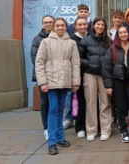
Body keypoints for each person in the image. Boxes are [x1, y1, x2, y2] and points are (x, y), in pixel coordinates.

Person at [35, 17, 81, 155]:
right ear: (54, 27)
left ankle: (61, 137)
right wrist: (42, 82)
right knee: (53, 109)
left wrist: (75, 82)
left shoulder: (72, 43)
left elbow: (76, 64)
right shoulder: (45, 42)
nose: (60, 28)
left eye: (63, 25)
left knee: (61, 109)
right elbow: (39, 62)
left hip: (65, 81)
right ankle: (52, 141)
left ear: (66, 27)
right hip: (50, 82)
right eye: (58, 25)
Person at [102, 26, 129, 143]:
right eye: (120, 33)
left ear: (128, 33)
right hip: (118, 81)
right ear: (118, 35)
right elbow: (106, 68)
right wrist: (109, 86)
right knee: (121, 107)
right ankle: (123, 131)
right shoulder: (113, 48)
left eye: (124, 32)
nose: (122, 34)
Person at [78, 17, 112, 141]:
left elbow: (113, 59)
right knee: (91, 102)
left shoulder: (109, 41)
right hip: (89, 74)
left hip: (104, 75)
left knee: (105, 103)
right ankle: (91, 130)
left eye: (102, 25)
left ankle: (105, 130)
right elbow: (78, 58)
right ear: (93, 26)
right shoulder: (85, 41)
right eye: (98, 24)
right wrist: (89, 64)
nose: (100, 27)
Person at [64, 4, 92, 129]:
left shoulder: (92, 32)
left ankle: (86, 121)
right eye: (81, 11)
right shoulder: (70, 35)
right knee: (74, 97)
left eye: (85, 11)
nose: (83, 13)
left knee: (88, 98)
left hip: (90, 71)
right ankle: (71, 118)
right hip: (76, 71)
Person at [30, 15, 55, 141]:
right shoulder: (37, 40)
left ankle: (55, 127)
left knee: (56, 104)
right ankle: (46, 128)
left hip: (57, 77)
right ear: (42, 24)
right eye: (45, 22)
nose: (48, 24)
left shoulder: (58, 38)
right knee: (45, 102)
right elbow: (35, 59)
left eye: (50, 22)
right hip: (43, 76)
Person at [70, 17, 89, 138]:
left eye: (84, 24)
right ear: (76, 26)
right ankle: (80, 127)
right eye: (80, 25)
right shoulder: (72, 40)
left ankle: (91, 125)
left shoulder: (91, 37)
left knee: (91, 101)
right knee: (79, 101)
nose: (82, 26)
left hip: (90, 73)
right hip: (77, 74)